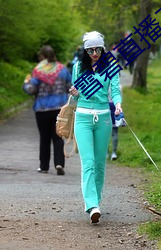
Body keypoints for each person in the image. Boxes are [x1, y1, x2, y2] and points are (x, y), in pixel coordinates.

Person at [69, 31, 122, 223]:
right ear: (85, 50)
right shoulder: (78, 67)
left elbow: (115, 90)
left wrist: (117, 104)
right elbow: (75, 96)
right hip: (82, 117)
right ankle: (91, 205)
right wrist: (74, 92)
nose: (94, 53)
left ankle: (96, 201)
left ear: (103, 48)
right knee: (88, 163)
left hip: (104, 118)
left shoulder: (110, 67)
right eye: (90, 50)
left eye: (97, 49)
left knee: (100, 164)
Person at [23, 45, 72, 175]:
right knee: (58, 137)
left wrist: (26, 83)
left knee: (44, 138)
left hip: (42, 109)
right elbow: (71, 87)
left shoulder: (38, 71)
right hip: (59, 109)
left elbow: (31, 90)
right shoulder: (63, 70)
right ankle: (59, 163)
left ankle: (44, 166)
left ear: (42, 57)